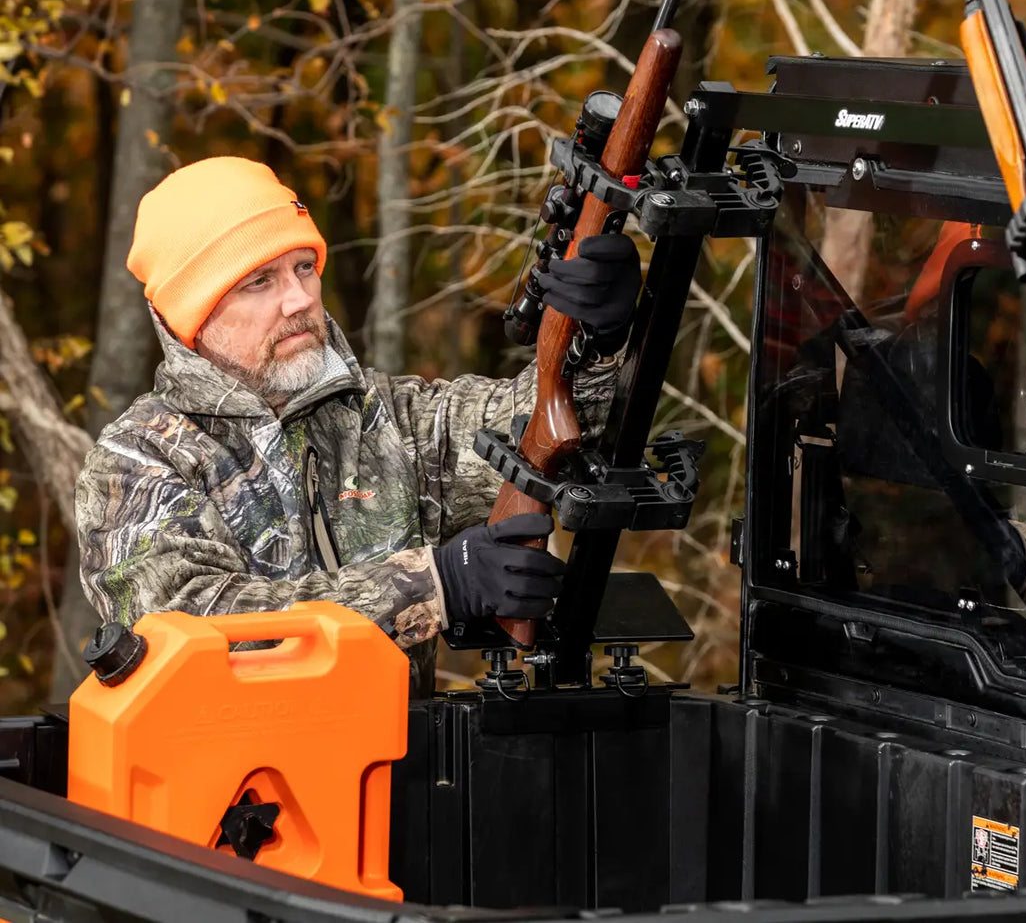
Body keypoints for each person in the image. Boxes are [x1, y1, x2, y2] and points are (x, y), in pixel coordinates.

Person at [73, 156, 641, 694]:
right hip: (244, 789)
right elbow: (207, 628)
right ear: (192, 317)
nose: (298, 298)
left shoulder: (381, 417)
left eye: (303, 268)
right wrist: (434, 585)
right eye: (258, 281)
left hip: (399, 776)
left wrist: (596, 343)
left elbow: (543, 432)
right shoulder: (136, 460)